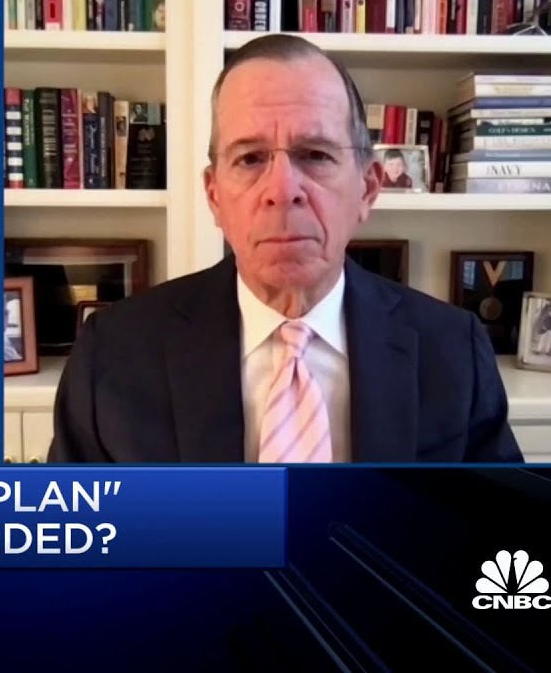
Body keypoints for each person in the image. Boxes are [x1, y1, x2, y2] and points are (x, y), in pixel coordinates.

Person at [49, 33, 522, 464]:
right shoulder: (111, 355)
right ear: (214, 196)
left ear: (368, 188)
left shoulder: (453, 350)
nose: (282, 189)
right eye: (250, 158)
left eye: (315, 154)